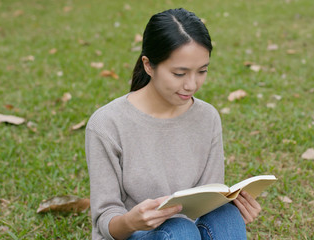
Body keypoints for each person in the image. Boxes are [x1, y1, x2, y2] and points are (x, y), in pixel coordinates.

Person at [85, 8, 262, 240]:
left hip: (189, 233)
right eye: (180, 73)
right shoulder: (107, 124)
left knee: (225, 215)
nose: (192, 85)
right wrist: (131, 220)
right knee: (178, 229)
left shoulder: (207, 117)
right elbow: (105, 220)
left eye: (202, 71)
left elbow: (209, 199)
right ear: (148, 65)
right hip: (137, 235)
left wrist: (234, 208)